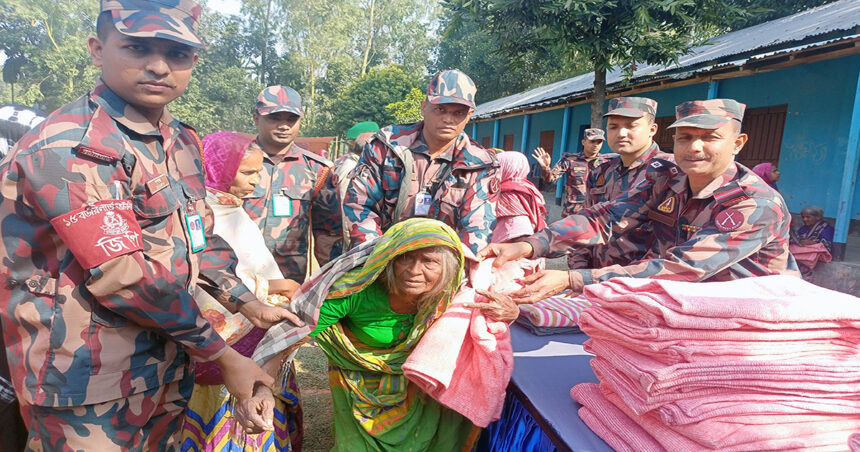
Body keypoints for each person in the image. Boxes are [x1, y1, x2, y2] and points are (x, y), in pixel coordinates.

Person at [0, 1, 297, 449]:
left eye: (177, 54)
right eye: (137, 48)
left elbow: (197, 234)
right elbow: (122, 275)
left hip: (164, 362)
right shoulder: (75, 145)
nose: (158, 66)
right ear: (98, 49)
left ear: (194, 61)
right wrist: (222, 355)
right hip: (84, 380)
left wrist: (245, 303)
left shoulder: (178, 139)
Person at [478, 99, 799, 302]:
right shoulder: (668, 180)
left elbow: (683, 268)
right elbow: (604, 218)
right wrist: (529, 245)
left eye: (710, 137)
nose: (694, 147)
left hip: (752, 317)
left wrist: (575, 279)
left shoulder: (753, 202)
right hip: (682, 308)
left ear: (738, 143)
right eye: (685, 137)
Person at [239, 218, 519, 451]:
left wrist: (510, 312)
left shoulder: (457, 290)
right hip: (361, 385)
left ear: (447, 268)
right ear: (388, 259)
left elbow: (497, 309)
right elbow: (293, 333)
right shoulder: (355, 290)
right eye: (404, 258)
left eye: (429, 261)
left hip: (422, 389)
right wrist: (263, 387)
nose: (413, 270)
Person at [180, 132, 302, 451]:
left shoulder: (232, 210)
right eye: (248, 172)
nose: (256, 181)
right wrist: (274, 289)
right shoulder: (198, 214)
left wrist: (277, 290)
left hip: (251, 331)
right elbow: (204, 281)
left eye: (259, 172)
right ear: (220, 168)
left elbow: (248, 270)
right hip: (218, 346)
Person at [343, 69, 499, 257]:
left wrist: (450, 268)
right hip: (379, 257)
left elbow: (477, 228)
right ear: (424, 107)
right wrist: (378, 259)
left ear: (469, 115)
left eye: (459, 112)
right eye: (440, 109)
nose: (448, 119)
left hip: (443, 265)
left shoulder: (479, 165)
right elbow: (360, 205)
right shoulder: (386, 147)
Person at [243, 85, 343, 284]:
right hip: (236, 276)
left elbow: (328, 236)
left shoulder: (317, 170)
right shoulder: (236, 161)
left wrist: (333, 285)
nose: (284, 126)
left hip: (287, 280)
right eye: (274, 118)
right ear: (256, 118)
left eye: (291, 119)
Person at [566, 97, 673, 271]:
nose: (621, 133)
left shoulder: (670, 171)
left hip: (642, 282)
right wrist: (579, 271)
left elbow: (669, 242)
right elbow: (585, 226)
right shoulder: (601, 171)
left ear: (652, 129)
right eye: (613, 126)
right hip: (592, 281)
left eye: (631, 126)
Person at [532, 128, 610, 216]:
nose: (596, 145)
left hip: (597, 213)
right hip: (573, 212)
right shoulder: (570, 160)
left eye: (599, 142)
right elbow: (549, 180)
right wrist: (546, 168)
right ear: (583, 142)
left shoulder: (606, 162)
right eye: (592, 141)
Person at [333, 121, 380, 248]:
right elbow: (346, 214)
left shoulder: (363, 165)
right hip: (354, 244)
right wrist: (353, 248)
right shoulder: (351, 168)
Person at [493, 152, 548, 242]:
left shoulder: (509, 194)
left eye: (495, 168)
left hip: (510, 251)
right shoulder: (526, 187)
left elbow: (517, 230)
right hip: (533, 246)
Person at [790, 205, 835, 281]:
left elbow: (827, 245)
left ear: (818, 217)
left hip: (818, 251)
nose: (805, 219)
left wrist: (813, 243)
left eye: (808, 217)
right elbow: (798, 237)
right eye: (803, 217)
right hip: (806, 248)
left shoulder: (826, 228)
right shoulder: (804, 228)